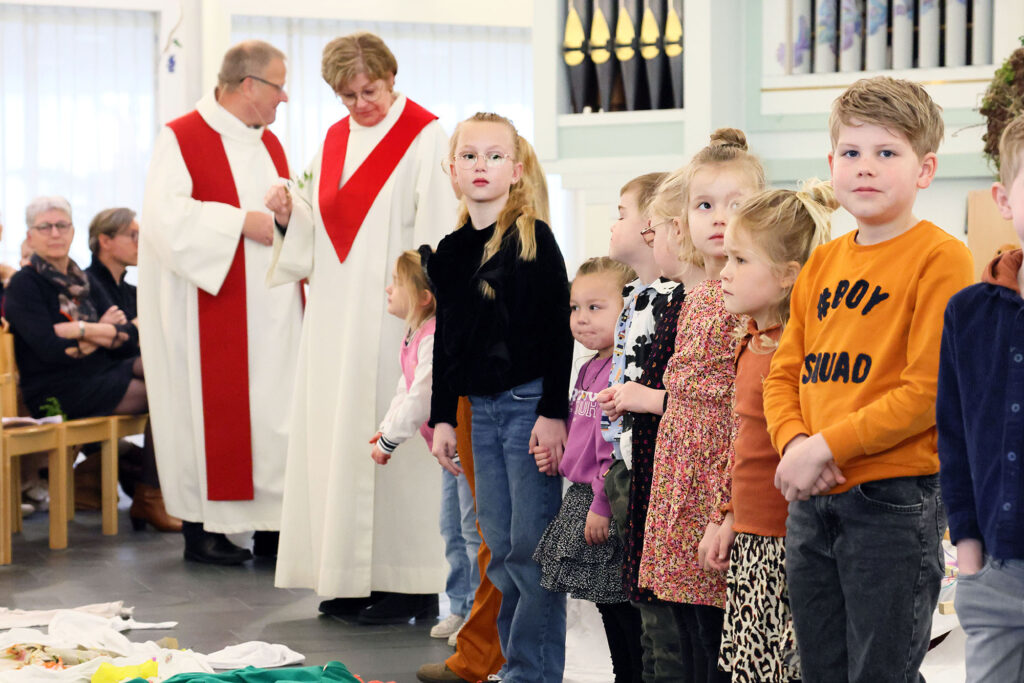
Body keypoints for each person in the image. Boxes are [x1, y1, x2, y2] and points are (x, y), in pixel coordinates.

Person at [763, 76, 974, 682]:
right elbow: (785, 372)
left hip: (891, 500)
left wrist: (825, 446)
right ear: (831, 165)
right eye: (852, 153)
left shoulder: (941, 257)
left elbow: (926, 393)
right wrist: (797, 445)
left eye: (888, 153)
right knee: (822, 670)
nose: (866, 167)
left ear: (924, 169)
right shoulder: (824, 262)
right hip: (811, 495)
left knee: (880, 671)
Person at [265, 31, 454, 622]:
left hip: (391, 314)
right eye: (346, 95)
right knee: (338, 436)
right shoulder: (333, 139)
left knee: (393, 430)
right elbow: (322, 229)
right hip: (334, 316)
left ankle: (410, 584)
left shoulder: (424, 136)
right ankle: (347, 578)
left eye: (367, 90)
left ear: (390, 78)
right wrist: (288, 216)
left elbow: (437, 232)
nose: (358, 104)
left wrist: (422, 304)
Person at [138, 40, 303, 565]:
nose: (286, 97)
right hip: (211, 307)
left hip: (274, 312)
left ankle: (273, 527)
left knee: (276, 416)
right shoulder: (183, 137)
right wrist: (241, 222)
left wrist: (284, 215)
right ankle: (204, 530)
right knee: (210, 416)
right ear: (249, 85)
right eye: (279, 86)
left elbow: (286, 215)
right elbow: (166, 220)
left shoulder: (270, 144)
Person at [426, 112, 572, 683]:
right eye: (468, 155)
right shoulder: (452, 249)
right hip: (478, 414)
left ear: (515, 169)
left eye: (493, 156)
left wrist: (552, 413)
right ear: (453, 169)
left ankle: (532, 674)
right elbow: (448, 345)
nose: (480, 165)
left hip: (527, 406)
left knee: (530, 552)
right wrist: (442, 419)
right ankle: (514, 666)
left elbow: (558, 334)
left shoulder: (535, 240)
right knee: (499, 550)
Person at [638, 129, 765, 683]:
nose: (718, 217)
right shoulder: (695, 293)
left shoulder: (748, 298)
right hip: (678, 473)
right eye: (705, 205)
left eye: (737, 205)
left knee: (716, 630)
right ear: (684, 217)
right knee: (684, 618)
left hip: (716, 473)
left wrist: (727, 507)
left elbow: (741, 400)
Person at [708, 181, 836, 682]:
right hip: (752, 538)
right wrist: (729, 514)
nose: (724, 272)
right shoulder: (753, 341)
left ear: (788, 277)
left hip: (788, 543)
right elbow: (744, 449)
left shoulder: (796, 352)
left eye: (740, 261)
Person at [4, 196, 177, 532]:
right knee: (165, 390)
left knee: (166, 378)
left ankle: (153, 493)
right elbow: (49, 349)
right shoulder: (25, 285)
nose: (55, 233)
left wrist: (82, 330)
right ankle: (151, 495)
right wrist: (101, 335)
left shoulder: (80, 282)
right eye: (45, 227)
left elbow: (124, 336)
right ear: (30, 236)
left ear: (71, 232)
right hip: (57, 390)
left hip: (96, 375)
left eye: (62, 225)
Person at [594, 172, 691, 681]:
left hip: (660, 460)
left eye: (622, 213)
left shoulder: (679, 297)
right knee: (636, 592)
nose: (616, 224)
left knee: (662, 604)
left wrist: (639, 400)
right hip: (628, 456)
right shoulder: (632, 292)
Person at [938, 114, 1024, 682]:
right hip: (995, 574)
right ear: (1004, 200)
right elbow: (956, 437)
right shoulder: (969, 314)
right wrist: (968, 550)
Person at [532, 256, 639, 683]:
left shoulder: (621, 368)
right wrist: (559, 459)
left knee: (621, 607)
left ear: (627, 311)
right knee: (606, 606)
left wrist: (600, 502)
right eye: (575, 308)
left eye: (595, 308)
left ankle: (631, 676)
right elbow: (584, 435)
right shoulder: (588, 366)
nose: (580, 319)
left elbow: (616, 448)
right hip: (582, 495)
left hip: (604, 499)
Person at [370, 249, 481, 639]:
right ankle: (461, 605)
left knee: (471, 530)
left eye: (397, 283)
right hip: (446, 454)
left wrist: (389, 440)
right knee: (451, 528)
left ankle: (476, 615)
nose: (388, 288)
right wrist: (386, 427)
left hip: (463, 448)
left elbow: (421, 397)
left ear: (423, 297)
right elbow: (405, 388)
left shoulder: (434, 336)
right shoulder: (414, 334)